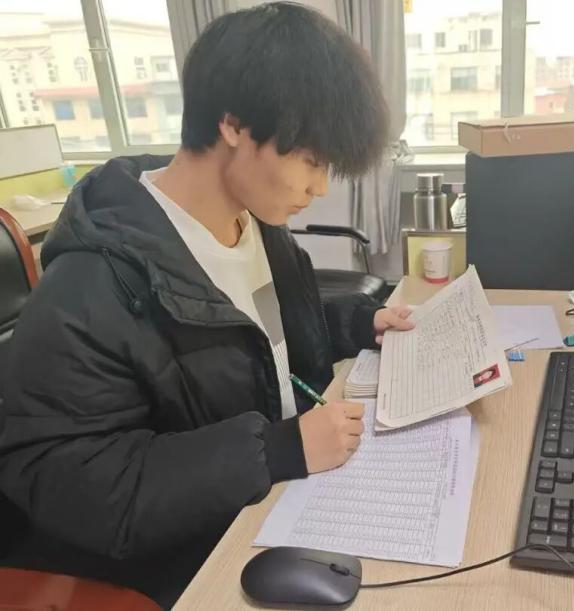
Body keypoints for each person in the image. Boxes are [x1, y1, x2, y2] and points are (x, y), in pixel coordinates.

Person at [0, 3, 412, 607]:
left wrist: (357, 322)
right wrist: (274, 451)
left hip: (279, 498)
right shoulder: (93, 283)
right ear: (234, 126)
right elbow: (70, 483)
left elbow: (258, 338)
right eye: (311, 161)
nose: (320, 187)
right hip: (188, 553)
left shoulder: (259, 225)